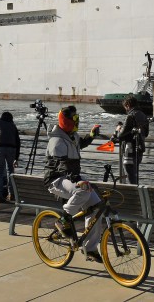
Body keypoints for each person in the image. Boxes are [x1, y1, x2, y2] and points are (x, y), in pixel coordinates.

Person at [43, 105, 103, 262]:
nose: (77, 121)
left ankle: (90, 249)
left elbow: (79, 144)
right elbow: (63, 166)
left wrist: (91, 136)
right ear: (66, 120)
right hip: (56, 179)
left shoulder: (72, 136)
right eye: (74, 118)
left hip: (72, 176)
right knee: (82, 191)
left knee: (96, 208)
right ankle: (63, 219)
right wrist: (79, 181)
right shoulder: (56, 141)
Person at [115, 95, 150, 184]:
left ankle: (133, 196)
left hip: (129, 151)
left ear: (128, 105)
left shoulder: (130, 116)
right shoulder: (143, 115)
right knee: (135, 175)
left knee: (130, 177)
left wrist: (119, 128)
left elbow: (121, 135)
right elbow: (145, 134)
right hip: (139, 150)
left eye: (125, 107)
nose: (125, 109)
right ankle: (137, 195)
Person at [0, 111, 21, 203]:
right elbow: (18, 141)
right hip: (12, 148)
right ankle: (11, 194)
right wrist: (16, 157)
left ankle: (0, 195)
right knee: (10, 171)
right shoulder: (13, 125)